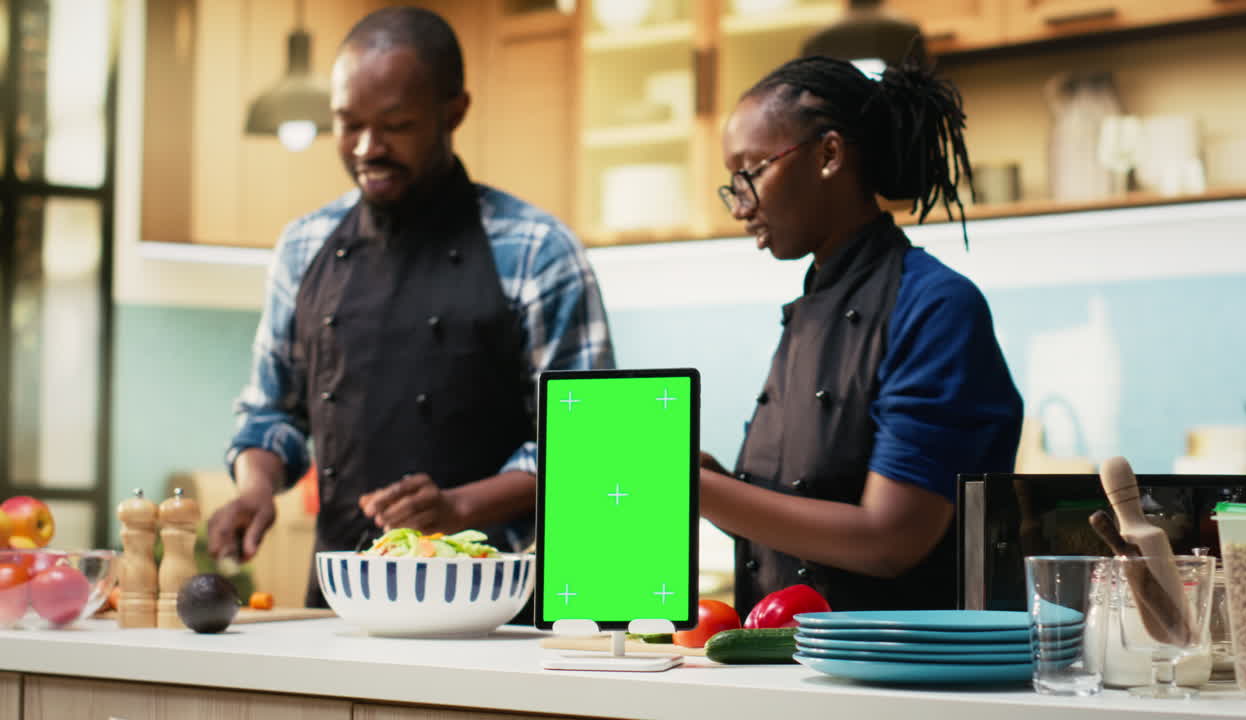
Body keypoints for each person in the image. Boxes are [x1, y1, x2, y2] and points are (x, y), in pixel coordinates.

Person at [208, 7, 614, 608]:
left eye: (396, 125)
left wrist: (460, 507)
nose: (368, 148)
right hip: (341, 603)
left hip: (494, 607)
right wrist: (257, 488)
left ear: (453, 112)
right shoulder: (302, 247)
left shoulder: (538, 251)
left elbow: (592, 444)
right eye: (348, 124)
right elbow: (273, 410)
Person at [700, 56, 1023, 614]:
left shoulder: (936, 306)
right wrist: (712, 482)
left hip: (905, 679)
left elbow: (890, 541)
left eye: (752, 169)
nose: (740, 203)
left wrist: (695, 489)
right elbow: (810, 520)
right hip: (794, 666)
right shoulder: (812, 304)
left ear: (829, 155)